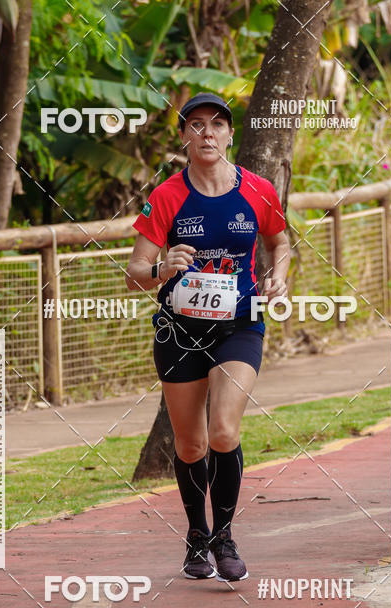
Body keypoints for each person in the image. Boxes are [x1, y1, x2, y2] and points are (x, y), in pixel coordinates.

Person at [125, 92, 290, 581]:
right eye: (196, 125)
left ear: (230, 134)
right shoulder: (167, 197)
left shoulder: (258, 189)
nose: (207, 133)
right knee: (191, 444)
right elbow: (134, 272)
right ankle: (197, 535)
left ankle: (225, 537)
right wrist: (161, 268)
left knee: (223, 431)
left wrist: (278, 276)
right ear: (184, 137)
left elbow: (279, 241)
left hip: (240, 324)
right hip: (179, 331)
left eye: (217, 124)